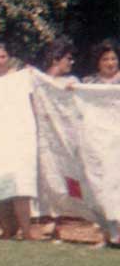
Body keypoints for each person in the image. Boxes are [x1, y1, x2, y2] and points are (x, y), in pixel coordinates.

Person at [0, 42, 34, 240]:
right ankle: (7, 229)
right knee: (0, 188)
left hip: (17, 137)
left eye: (3, 56)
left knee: (20, 187)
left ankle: (27, 231)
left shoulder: (18, 78)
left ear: (9, 58)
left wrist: (30, 74)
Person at [39, 37, 79, 243]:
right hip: (45, 140)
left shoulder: (71, 82)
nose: (71, 63)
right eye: (68, 58)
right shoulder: (37, 81)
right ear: (56, 59)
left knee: (71, 180)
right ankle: (52, 222)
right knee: (48, 180)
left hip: (67, 141)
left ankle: (79, 218)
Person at [82, 39, 120, 247]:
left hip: (118, 142)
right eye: (105, 59)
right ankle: (107, 234)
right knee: (99, 187)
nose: (110, 63)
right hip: (98, 144)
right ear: (98, 62)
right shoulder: (88, 84)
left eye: (114, 58)